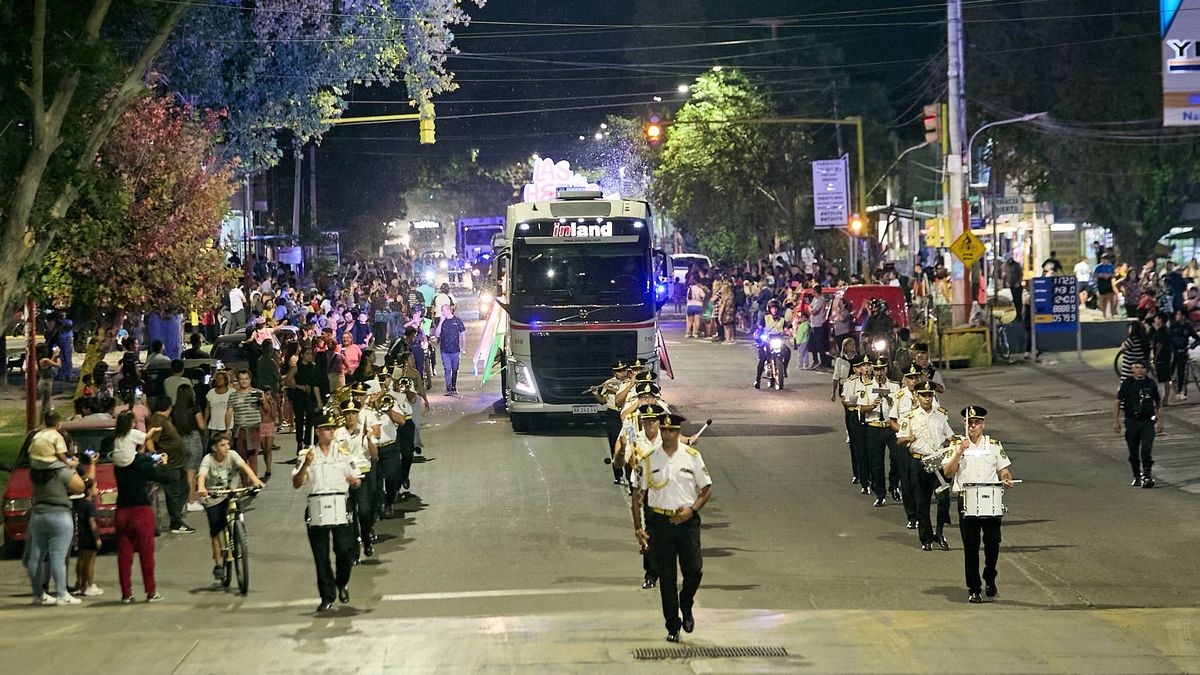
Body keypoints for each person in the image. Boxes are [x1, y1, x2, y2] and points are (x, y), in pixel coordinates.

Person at [632, 412, 712, 643]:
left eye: (672, 431)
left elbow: (706, 489)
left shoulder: (692, 457)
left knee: (694, 570)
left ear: (678, 433)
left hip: (687, 522)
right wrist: (639, 527)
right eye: (664, 430)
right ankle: (672, 624)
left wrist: (692, 510)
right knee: (667, 577)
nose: (667, 434)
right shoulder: (648, 460)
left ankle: (686, 603)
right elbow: (638, 495)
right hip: (661, 523)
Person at [941, 406, 1014, 604]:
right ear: (965, 424)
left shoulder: (993, 445)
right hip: (967, 498)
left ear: (983, 424)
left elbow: (1004, 470)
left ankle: (990, 575)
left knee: (992, 543)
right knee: (971, 547)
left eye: (977, 422)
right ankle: (974, 588)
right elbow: (948, 472)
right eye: (970, 423)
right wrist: (959, 452)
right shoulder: (957, 443)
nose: (973, 426)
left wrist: (1006, 479)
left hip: (989, 499)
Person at [292, 411, 361, 612]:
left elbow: (356, 479)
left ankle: (342, 582)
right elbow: (297, 483)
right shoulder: (306, 454)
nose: (332, 431)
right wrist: (306, 464)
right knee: (320, 555)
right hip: (316, 504)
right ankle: (327, 596)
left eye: (333, 428)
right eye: (328, 428)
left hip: (340, 502)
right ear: (318, 431)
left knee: (344, 550)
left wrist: (354, 482)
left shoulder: (343, 453)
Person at [25, 412, 86, 605]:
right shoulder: (61, 472)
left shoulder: (35, 474)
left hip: (38, 515)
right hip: (59, 515)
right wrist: (72, 466)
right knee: (58, 556)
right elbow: (80, 487)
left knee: (36, 555)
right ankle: (62, 594)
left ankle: (38, 594)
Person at [112, 411, 168, 603]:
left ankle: (126, 593)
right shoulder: (140, 464)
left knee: (124, 555)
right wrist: (161, 464)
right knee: (146, 553)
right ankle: (151, 591)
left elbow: (138, 456)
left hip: (121, 512)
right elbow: (161, 477)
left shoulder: (117, 462)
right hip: (141, 512)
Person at [896, 383, 955, 550]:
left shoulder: (941, 415)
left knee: (944, 499)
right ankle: (926, 538)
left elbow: (950, 436)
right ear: (918, 397)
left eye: (930, 395)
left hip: (938, 462)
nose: (927, 398)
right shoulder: (910, 417)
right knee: (922, 503)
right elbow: (899, 440)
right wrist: (908, 439)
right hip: (919, 462)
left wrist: (959, 444)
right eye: (924, 395)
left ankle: (940, 532)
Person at [196, 435, 263, 581]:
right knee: (215, 530)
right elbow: (202, 475)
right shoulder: (208, 459)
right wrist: (201, 487)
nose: (227, 447)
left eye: (228, 444)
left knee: (236, 512)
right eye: (222, 445)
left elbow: (245, 467)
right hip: (213, 496)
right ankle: (219, 563)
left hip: (231, 493)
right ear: (214, 447)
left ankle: (238, 531)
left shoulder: (232, 455)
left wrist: (255, 480)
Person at [338, 400, 378, 560]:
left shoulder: (365, 430)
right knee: (350, 515)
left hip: (363, 474)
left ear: (357, 414)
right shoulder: (338, 433)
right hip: (345, 478)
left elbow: (374, 455)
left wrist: (369, 439)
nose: (350, 416)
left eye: (353, 413)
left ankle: (367, 537)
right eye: (347, 413)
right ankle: (354, 550)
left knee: (364, 511)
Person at [1114, 360, 1163, 488]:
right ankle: (1136, 475)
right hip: (1132, 422)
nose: (1140, 370)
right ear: (1132, 369)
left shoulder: (1150, 384)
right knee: (1133, 452)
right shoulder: (1127, 384)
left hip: (1147, 421)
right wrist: (1116, 421)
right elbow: (1117, 402)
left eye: (1142, 367)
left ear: (1146, 370)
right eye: (1137, 367)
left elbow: (1158, 403)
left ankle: (1147, 476)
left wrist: (1160, 421)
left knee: (1146, 449)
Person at [148, 396, 194, 534]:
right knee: (174, 492)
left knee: (183, 488)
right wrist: (156, 455)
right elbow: (150, 440)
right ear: (169, 407)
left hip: (177, 462)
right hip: (170, 464)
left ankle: (177, 516)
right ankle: (176, 522)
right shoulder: (157, 420)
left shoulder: (163, 420)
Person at [861, 357, 900, 507]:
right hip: (874, 426)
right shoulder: (867, 386)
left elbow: (899, 406)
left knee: (897, 458)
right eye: (876, 369)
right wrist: (871, 406)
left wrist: (890, 400)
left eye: (881, 369)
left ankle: (894, 484)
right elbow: (861, 408)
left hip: (890, 426)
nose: (879, 372)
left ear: (885, 369)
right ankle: (880, 494)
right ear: (872, 370)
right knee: (876, 463)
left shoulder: (894, 386)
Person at [172, 384, 207, 513]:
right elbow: (202, 425)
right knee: (191, 472)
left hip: (180, 441)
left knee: (185, 472)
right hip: (193, 439)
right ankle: (191, 501)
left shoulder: (174, 409)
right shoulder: (194, 408)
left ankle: (189, 499)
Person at [226, 370, 264, 477]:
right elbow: (229, 412)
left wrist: (263, 400)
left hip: (254, 429)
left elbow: (266, 409)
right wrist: (227, 428)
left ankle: (253, 483)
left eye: (246, 378)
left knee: (253, 457)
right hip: (240, 430)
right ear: (237, 381)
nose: (244, 381)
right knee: (241, 458)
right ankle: (245, 483)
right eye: (241, 379)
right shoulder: (233, 396)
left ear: (250, 380)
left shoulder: (257, 393)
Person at [72, 478, 103, 596]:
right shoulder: (90, 505)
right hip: (90, 536)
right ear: (89, 491)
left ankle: (81, 583)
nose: (98, 490)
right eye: (95, 487)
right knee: (90, 561)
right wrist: (97, 537)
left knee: (81, 560)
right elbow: (92, 522)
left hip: (81, 535)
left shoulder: (81, 504)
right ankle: (89, 585)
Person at [754, 299, 792, 389]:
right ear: (769, 309)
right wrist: (757, 333)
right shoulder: (765, 318)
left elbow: (786, 329)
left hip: (778, 340)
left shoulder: (782, 320)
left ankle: (784, 369)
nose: (774, 310)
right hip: (767, 341)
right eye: (772, 308)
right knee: (762, 359)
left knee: (787, 352)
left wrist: (789, 333)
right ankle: (757, 380)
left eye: (775, 308)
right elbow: (760, 328)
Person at [435, 303, 467, 395]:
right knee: (447, 369)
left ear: (449, 310)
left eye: (443, 310)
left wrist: (464, 346)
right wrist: (441, 322)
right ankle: (449, 388)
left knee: (455, 368)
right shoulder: (442, 321)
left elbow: (463, 333)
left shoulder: (457, 321)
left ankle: (454, 386)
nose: (442, 312)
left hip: (455, 350)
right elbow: (437, 334)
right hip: (445, 350)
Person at [1169, 308, 1200, 401]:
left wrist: (1191, 347)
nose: (1177, 316)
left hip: (1183, 352)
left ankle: (1180, 391)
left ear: (1183, 316)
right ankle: (1173, 386)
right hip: (1174, 352)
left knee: (1181, 372)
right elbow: (1169, 339)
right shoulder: (1173, 326)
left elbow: (1197, 338)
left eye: (1179, 314)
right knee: (1171, 371)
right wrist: (1173, 350)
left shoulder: (1187, 327)